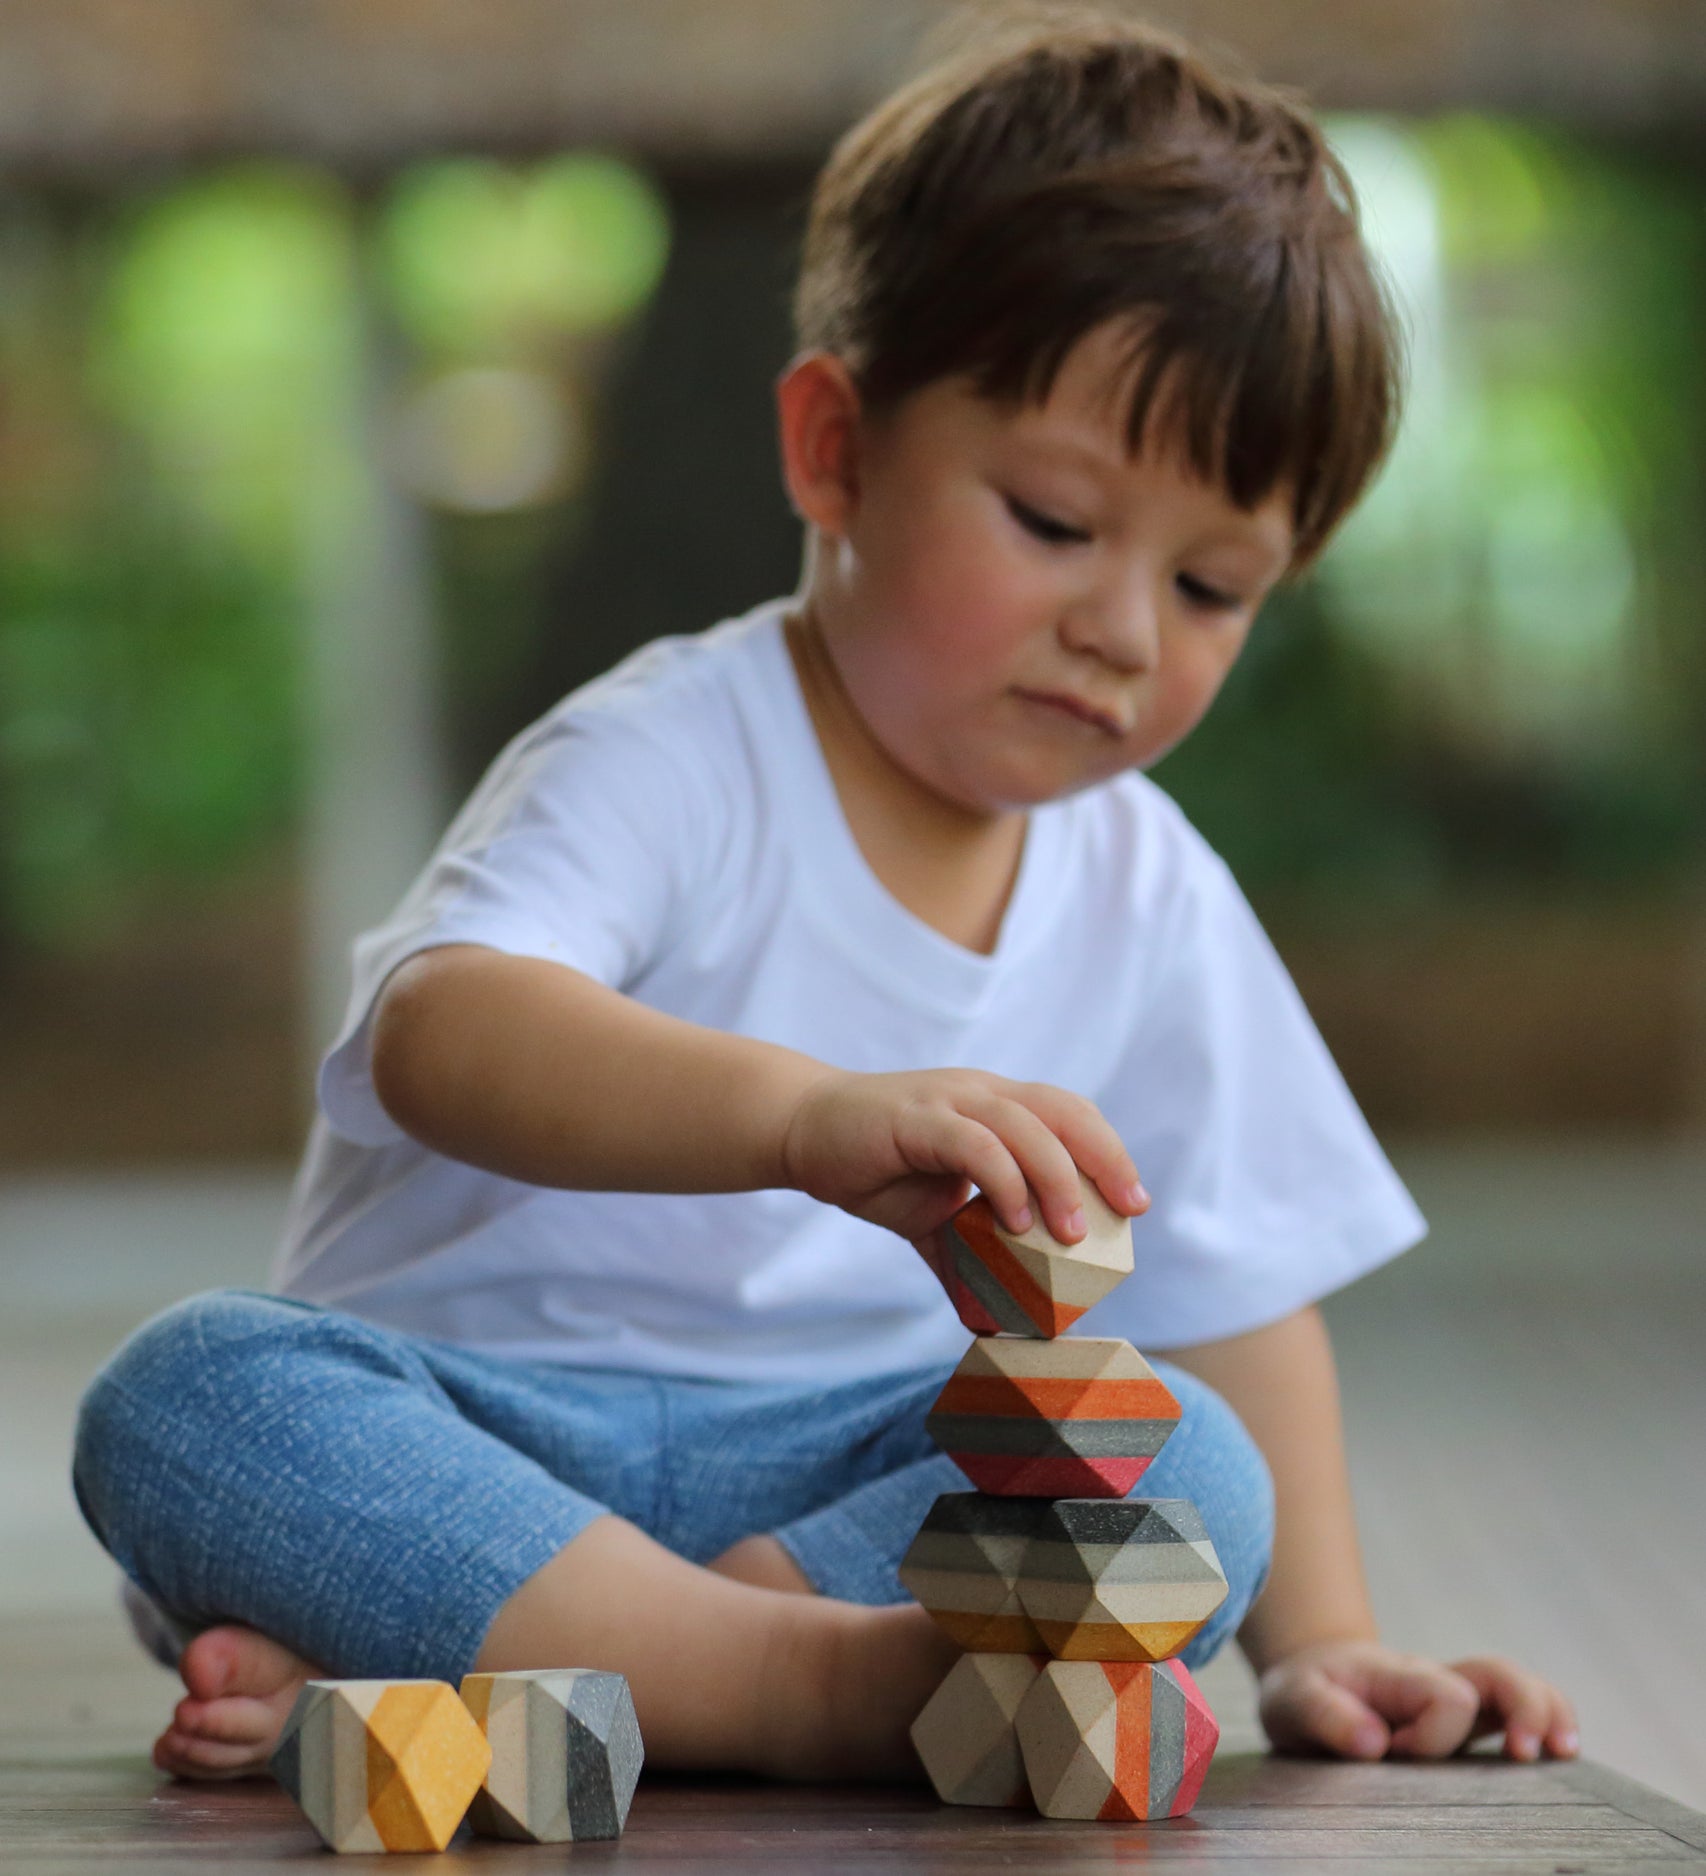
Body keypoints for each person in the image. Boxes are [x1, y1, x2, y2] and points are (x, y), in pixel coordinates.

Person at [74, 4, 1578, 1786]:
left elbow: (1239, 1285)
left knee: (1191, 1457)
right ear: (834, 452)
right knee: (193, 1400)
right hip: (487, 1439)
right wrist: (799, 1117)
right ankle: (788, 1691)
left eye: (1214, 585)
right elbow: (444, 1027)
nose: (1121, 629)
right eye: (1050, 520)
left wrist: (1321, 1647)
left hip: (842, 1482)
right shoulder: (677, 747)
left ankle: (578, 1666)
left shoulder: (1149, 884)